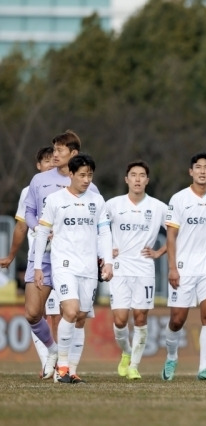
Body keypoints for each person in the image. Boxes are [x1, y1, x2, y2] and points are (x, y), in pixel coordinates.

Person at [23, 130, 99, 380]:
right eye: (53, 149)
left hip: (75, 259)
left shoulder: (90, 187)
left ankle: (68, 368)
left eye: (59, 150)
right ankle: (53, 351)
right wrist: (41, 229)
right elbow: (30, 214)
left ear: (73, 154)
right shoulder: (39, 180)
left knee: (75, 315)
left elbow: (98, 223)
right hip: (44, 255)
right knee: (33, 313)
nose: (54, 154)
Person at [33, 153, 113, 384]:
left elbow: (104, 232)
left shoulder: (97, 201)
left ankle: (72, 371)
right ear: (71, 174)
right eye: (82, 175)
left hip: (88, 267)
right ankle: (62, 367)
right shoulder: (55, 200)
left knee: (79, 317)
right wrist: (38, 266)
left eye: (90, 175)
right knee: (70, 310)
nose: (86, 180)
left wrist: (107, 261)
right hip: (63, 265)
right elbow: (41, 233)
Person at [161, 152, 206, 381]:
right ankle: (172, 357)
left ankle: (204, 368)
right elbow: (170, 236)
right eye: (198, 167)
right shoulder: (179, 199)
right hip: (183, 268)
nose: (202, 171)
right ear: (191, 171)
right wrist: (172, 267)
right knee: (177, 320)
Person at [0, 146, 60, 377]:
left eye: (53, 160)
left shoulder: (67, 187)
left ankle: (60, 365)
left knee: (60, 313)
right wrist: (12, 255)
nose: (51, 165)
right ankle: (48, 360)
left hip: (63, 257)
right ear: (38, 166)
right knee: (38, 313)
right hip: (40, 259)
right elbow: (21, 226)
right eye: (46, 161)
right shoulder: (30, 190)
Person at [106, 160, 168, 380]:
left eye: (142, 175)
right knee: (120, 320)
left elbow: (178, 232)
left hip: (144, 268)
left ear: (147, 180)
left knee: (140, 318)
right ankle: (126, 352)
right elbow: (97, 230)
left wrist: (160, 252)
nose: (138, 179)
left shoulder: (158, 207)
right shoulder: (112, 205)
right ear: (126, 179)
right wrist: (106, 250)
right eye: (134, 175)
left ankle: (134, 366)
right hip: (120, 268)